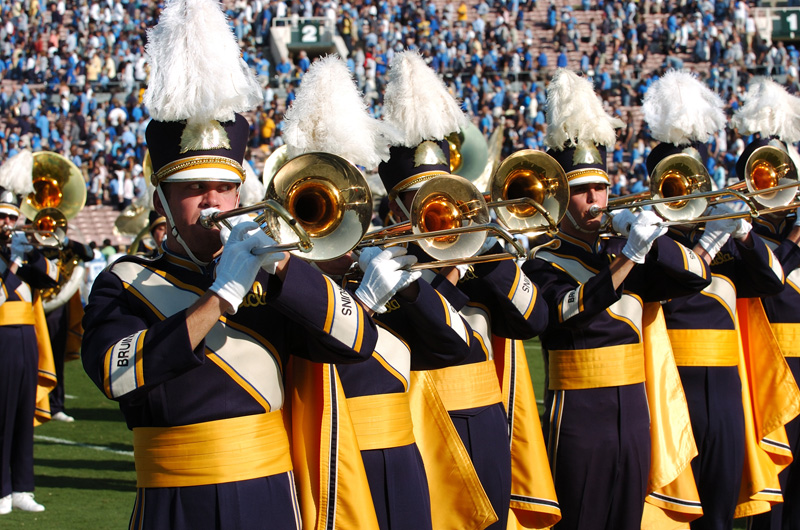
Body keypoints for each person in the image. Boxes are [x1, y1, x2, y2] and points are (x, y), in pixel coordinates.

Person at [80, 2, 378, 528]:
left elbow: (358, 343)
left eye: (225, 187)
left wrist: (284, 269)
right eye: (194, 190)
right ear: (162, 204)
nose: (214, 202)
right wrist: (220, 298)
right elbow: (115, 374)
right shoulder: (124, 282)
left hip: (269, 495)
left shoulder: (272, 272)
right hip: (175, 502)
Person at [280, 54, 492, 530]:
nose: (326, 222)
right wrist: (365, 304)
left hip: (399, 457)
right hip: (323, 463)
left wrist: (412, 283)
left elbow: (455, 344)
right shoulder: (279, 282)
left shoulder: (379, 272)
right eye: (315, 206)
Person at [522, 69, 712, 530]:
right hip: (580, 418)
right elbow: (563, 313)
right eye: (583, 190)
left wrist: (652, 240)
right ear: (561, 196)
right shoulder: (542, 262)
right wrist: (627, 258)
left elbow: (695, 278)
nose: (595, 200)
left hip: (635, 416)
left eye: (601, 188)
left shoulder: (627, 251)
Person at [379, 51, 559, 530]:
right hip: (423, 432)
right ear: (396, 211)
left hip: (489, 428)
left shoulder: (481, 264)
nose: (438, 212)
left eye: (444, 196)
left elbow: (535, 321)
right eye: (420, 202)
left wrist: (492, 256)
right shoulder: (385, 274)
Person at [643, 71, 787, 530]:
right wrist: (704, 244)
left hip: (726, 392)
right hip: (671, 387)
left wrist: (741, 233)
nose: (684, 192)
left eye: (691, 181)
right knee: (676, 514)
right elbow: (675, 284)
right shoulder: (648, 241)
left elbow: (771, 280)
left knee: (720, 514)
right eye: (673, 181)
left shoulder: (720, 235)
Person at [733, 78, 800, 530]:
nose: (773, 188)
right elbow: (770, 280)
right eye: (762, 177)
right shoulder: (740, 239)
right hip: (766, 373)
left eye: (782, 178)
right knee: (773, 499)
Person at [0, 189, 58, 514]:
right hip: (2, 340)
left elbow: (52, 277)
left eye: (12, 217)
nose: (8, 224)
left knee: (22, 415)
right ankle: (1, 490)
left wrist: (32, 255)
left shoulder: (20, 252)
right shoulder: (10, 260)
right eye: (2, 217)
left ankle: (22, 487)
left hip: (26, 339)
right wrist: (13, 263)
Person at [43, 229, 94, 422]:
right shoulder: (29, 245)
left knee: (55, 356)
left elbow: (88, 254)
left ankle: (55, 405)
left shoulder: (62, 247)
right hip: (29, 303)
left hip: (55, 307)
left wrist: (65, 241)